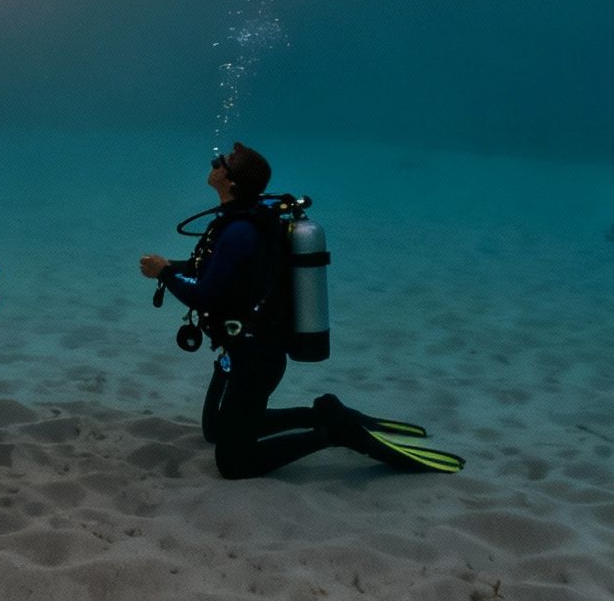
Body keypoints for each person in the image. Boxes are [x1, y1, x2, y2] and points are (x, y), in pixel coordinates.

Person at [139, 142, 462, 479]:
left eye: (222, 162)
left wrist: (163, 272)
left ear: (231, 184)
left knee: (233, 463)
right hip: (246, 348)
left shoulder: (239, 231)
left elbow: (204, 296)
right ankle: (319, 415)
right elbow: (205, 268)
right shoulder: (236, 222)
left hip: (257, 357)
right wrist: (169, 267)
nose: (215, 162)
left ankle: (333, 434)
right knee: (215, 429)